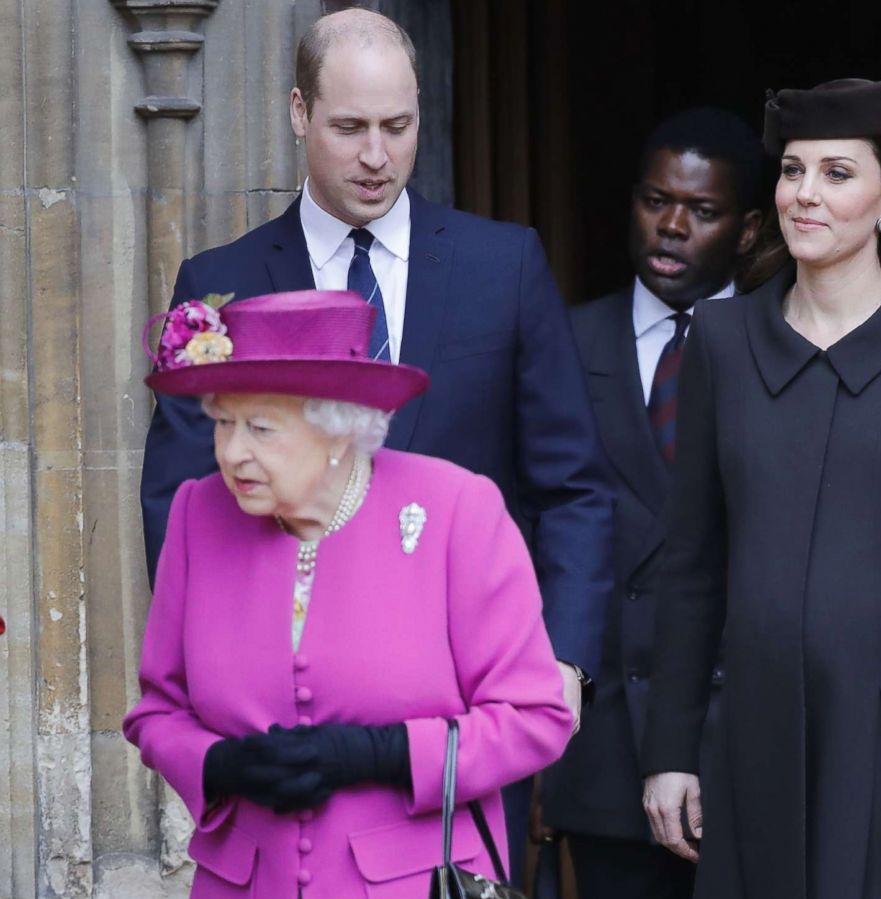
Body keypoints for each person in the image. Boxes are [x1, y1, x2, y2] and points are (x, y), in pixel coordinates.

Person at [136, 7, 610, 752]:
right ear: (299, 113)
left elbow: (574, 487)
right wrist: (216, 674)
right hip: (278, 706)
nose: (378, 156)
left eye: (398, 126)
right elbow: (180, 499)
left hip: (470, 701)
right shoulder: (221, 282)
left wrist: (565, 659)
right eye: (351, 128)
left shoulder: (505, 267)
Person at [640, 77, 881, 899]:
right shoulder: (721, 337)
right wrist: (671, 750)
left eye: (836, 173)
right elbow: (693, 562)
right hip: (755, 732)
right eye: (791, 171)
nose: (804, 195)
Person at [123, 290, 574, 899]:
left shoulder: (456, 510)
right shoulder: (196, 514)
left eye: (260, 428)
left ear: (338, 428)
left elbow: (536, 718)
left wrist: (384, 753)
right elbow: (158, 711)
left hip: (414, 885)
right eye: (223, 422)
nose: (232, 453)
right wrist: (218, 766)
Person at [544, 107, 765, 899]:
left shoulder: (788, 347)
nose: (671, 226)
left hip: (748, 750)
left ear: (746, 230)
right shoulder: (561, 343)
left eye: (702, 211)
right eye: (654, 200)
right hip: (604, 755)